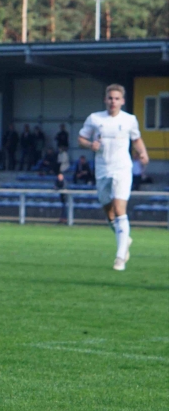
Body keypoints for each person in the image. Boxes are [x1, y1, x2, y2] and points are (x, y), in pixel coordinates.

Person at [78, 84, 149, 271]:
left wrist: (143, 153)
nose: (113, 101)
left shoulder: (129, 120)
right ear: (105, 99)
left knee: (119, 209)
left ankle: (119, 258)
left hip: (122, 168)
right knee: (109, 213)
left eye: (117, 98)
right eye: (110, 98)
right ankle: (124, 239)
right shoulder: (95, 118)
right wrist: (90, 145)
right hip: (102, 170)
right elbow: (81, 138)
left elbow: (136, 139)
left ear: (122, 101)